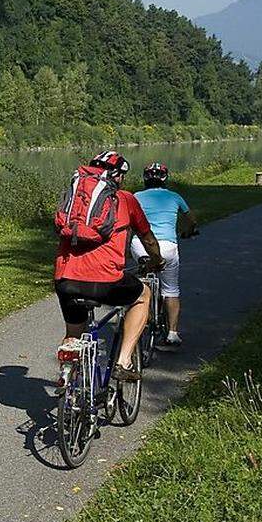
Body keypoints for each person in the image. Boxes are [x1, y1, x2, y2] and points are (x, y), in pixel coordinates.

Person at [54, 151, 163, 382]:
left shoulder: (76, 201)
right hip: (105, 281)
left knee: (74, 334)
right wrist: (156, 260)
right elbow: (148, 238)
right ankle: (123, 362)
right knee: (143, 296)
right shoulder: (125, 199)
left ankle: (69, 385)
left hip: (65, 279)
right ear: (119, 176)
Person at [129, 162, 196, 351]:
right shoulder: (174, 197)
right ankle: (173, 333)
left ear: (145, 178)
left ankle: (141, 315)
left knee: (143, 282)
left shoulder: (135, 197)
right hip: (167, 246)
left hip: (141, 245)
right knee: (171, 289)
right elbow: (191, 220)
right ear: (165, 178)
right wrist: (189, 231)